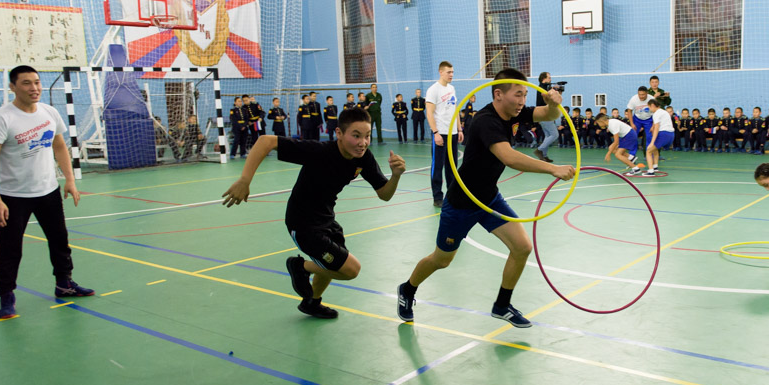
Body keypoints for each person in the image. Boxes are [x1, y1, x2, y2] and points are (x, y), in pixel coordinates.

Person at [397, 69, 575, 328]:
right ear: (498, 94)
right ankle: (407, 289)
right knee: (442, 260)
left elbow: (548, 115)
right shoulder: (485, 121)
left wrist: (553, 103)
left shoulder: (514, 112)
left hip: (489, 198)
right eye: (518, 95)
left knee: (522, 247)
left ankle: (502, 305)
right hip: (462, 202)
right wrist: (552, 168)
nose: (522, 101)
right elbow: (509, 157)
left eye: (525, 95)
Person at [221, 108, 405, 318]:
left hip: (326, 218)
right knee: (350, 270)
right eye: (356, 136)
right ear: (339, 133)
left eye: (367, 136)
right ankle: (300, 266)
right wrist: (245, 180)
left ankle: (312, 302)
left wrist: (396, 176)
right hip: (303, 223)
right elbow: (265, 141)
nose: (362, 142)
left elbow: (384, 194)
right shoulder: (319, 151)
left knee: (332, 262)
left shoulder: (363, 158)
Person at [0, 65, 94, 319]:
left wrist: (69, 180)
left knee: (59, 240)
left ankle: (64, 283)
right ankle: (6, 295)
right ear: (12, 87)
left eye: (37, 82)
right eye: (26, 83)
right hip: (13, 195)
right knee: (10, 247)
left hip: (48, 191)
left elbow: (59, 146)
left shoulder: (49, 112)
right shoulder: (2, 118)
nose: (34, 88)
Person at [426, 61, 462, 207]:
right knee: (437, 167)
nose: (451, 75)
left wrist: (459, 129)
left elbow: (455, 109)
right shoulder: (433, 90)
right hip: (440, 133)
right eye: (449, 72)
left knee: (452, 167)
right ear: (441, 72)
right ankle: (437, 197)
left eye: (452, 72)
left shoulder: (452, 88)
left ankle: (451, 196)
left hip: (453, 133)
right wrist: (436, 133)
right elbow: (429, 113)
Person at [645, 99, 674, 176]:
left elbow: (657, 128)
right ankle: (655, 167)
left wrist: (652, 142)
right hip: (671, 135)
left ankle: (651, 171)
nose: (649, 109)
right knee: (655, 149)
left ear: (652, 105)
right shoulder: (664, 112)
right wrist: (652, 126)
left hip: (664, 134)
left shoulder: (656, 114)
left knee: (648, 150)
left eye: (649, 107)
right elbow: (659, 123)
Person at [534, 72, 559, 162]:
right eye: (549, 77)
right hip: (545, 115)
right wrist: (555, 89)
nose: (550, 79)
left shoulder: (541, 87)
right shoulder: (543, 88)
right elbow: (549, 97)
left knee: (548, 135)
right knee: (555, 134)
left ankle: (543, 155)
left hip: (542, 115)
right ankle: (539, 150)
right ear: (543, 79)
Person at [625, 86, 653, 151]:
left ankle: (649, 154)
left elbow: (656, 112)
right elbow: (629, 111)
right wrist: (632, 123)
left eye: (643, 95)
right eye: (639, 94)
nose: (641, 96)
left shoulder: (652, 99)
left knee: (649, 137)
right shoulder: (633, 99)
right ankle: (632, 154)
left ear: (647, 93)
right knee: (633, 136)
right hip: (637, 119)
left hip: (649, 120)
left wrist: (653, 125)